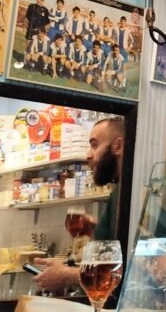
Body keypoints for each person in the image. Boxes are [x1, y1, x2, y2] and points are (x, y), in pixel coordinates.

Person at [33, 117, 125, 293]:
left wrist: (67, 275)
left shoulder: (129, 193)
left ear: (118, 146)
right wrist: (96, 229)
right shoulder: (119, 193)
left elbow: (124, 270)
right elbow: (114, 252)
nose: (88, 155)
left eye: (95, 145)